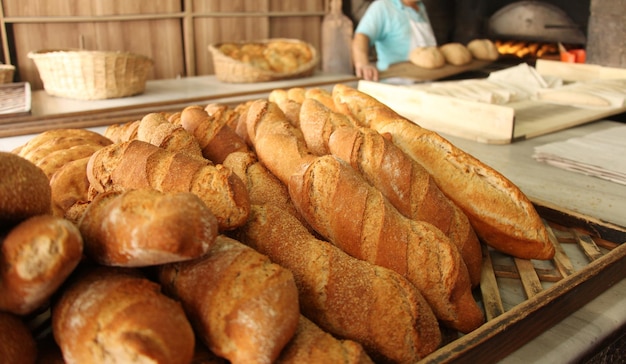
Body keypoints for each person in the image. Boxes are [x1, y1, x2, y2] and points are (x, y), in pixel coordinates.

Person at [352, 0, 437, 81]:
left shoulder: (421, 7)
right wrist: (363, 64)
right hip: (395, 85)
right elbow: (361, 37)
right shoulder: (383, 6)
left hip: (425, 83)